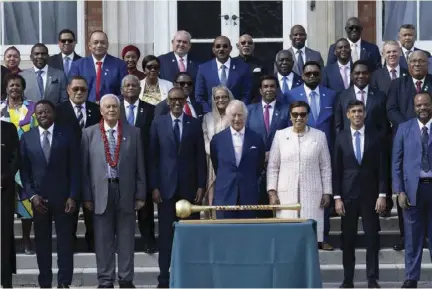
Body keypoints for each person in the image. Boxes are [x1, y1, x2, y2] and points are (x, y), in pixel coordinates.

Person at [81, 94, 146, 288]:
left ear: (120, 110)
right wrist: (86, 196)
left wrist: (141, 193)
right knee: (103, 239)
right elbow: (84, 169)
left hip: (125, 190)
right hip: (100, 192)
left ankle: (126, 279)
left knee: (126, 238)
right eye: (107, 107)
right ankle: (105, 279)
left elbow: (140, 165)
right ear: (101, 111)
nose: (111, 110)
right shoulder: (89, 134)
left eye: (114, 107)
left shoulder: (133, 133)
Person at [149, 87, 206, 288]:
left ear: (185, 101)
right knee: (166, 237)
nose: (176, 102)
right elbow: (153, 158)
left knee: (190, 236)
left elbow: (200, 157)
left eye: (180, 99)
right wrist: (154, 187)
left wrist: (201, 185)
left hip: (190, 190)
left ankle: (190, 277)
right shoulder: (158, 123)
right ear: (167, 100)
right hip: (165, 190)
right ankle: (164, 277)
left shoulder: (194, 123)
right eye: (173, 99)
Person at [20, 100, 79, 288]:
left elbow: (75, 168)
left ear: (53, 113)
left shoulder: (67, 135)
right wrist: (32, 196)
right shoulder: (27, 138)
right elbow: (24, 172)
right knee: (42, 245)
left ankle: (64, 283)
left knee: (65, 244)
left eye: (46, 111)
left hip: (63, 199)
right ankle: (44, 282)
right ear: (35, 116)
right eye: (39, 112)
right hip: (39, 201)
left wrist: (72, 195)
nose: (43, 115)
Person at [333, 100, 387, 289]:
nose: (357, 114)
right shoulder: (340, 137)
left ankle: (372, 279)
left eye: (360, 111)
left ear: (365, 114)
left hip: (371, 195)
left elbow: (382, 168)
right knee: (348, 240)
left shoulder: (375, 137)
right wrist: (337, 197)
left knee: (373, 238)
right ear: (348, 114)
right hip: (347, 196)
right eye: (353, 111)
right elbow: (336, 170)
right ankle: (348, 280)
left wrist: (382, 194)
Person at [266, 101, 332, 246]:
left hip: (312, 194)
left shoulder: (319, 136)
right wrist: (272, 192)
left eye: (302, 114)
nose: (299, 118)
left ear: (307, 116)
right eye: (295, 114)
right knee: (287, 237)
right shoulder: (280, 136)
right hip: (285, 195)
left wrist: (327, 192)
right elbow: (273, 166)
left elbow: (326, 167)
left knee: (310, 236)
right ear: (290, 116)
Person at [55, 75, 101, 252]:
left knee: (92, 211)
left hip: (93, 166)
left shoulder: (96, 110)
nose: (79, 92)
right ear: (68, 90)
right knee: (70, 210)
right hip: (68, 168)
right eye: (76, 89)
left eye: (83, 89)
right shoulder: (59, 110)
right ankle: (70, 245)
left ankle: (93, 245)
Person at [392, 93, 432, 289]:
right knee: (412, 237)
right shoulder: (404, 128)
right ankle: (411, 278)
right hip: (412, 190)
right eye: (418, 105)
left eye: (425, 104)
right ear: (414, 107)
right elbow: (396, 162)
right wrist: (399, 190)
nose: (422, 108)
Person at [120, 74, 157, 254]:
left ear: (140, 89)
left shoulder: (151, 109)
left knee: (146, 208)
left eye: (134, 85)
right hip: (119, 165)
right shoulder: (113, 108)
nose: (131, 88)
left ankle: (148, 241)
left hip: (144, 163)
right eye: (127, 85)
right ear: (122, 90)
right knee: (121, 208)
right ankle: (121, 243)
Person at [1, 73, 37, 255]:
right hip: (4, 163)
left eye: (17, 85)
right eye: (11, 85)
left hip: (26, 160)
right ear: (6, 88)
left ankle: (26, 239)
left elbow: (37, 131)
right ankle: (5, 241)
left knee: (25, 201)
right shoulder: (0, 109)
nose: (14, 88)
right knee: (4, 203)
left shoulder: (32, 108)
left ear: (23, 88)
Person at [210, 100, 266, 219]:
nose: (237, 119)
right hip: (225, 195)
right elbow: (217, 165)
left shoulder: (256, 138)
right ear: (227, 116)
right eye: (233, 115)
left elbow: (259, 166)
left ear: (245, 116)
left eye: (240, 115)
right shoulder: (217, 140)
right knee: (225, 234)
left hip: (248, 195)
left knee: (247, 234)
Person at [246, 75, 290, 218]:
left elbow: (290, 136)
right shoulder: (249, 110)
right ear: (260, 90)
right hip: (255, 167)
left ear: (277, 89)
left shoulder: (286, 110)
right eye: (265, 86)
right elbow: (245, 137)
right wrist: (260, 154)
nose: (269, 89)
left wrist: (274, 153)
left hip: (281, 165)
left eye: (272, 86)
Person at [195, 36, 252, 112]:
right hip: (212, 115)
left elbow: (247, 94)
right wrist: (210, 112)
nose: (221, 49)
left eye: (225, 46)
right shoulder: (203, 68)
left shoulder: (243, 68)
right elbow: (199, 96)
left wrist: (238, 110)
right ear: (213, 49)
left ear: (230, 48)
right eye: (218, 46)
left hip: (236, 115)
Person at [69, 30, 128, 103]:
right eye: (95, 42)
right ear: (89, 45)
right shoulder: (78, 65)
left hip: (111, 108)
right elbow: (72, 90)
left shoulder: (120, 65)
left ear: (107, 45)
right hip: (85, 109)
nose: (99, 45)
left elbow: (125, 91)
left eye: (102, 42)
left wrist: (109, 102)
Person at [202, 85, 234, 209]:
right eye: (217, 97)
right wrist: (215, 154)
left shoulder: (234, 116)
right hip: (210, 161)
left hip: (229, 162)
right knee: (211, 195)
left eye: (224, 97)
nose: (220, 100)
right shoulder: (207, 117)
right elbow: (205, 138)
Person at [1, 120, 20, 288]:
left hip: (3, 190)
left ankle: (6, 281)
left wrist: (5, 176)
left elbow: (15, 156)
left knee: (4, 236)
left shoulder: (8, 128)